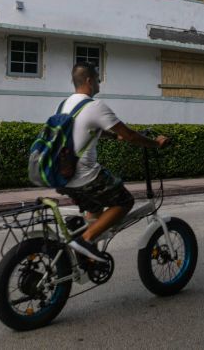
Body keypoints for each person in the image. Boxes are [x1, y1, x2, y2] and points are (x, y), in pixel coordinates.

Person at [57, 63, 168, 263]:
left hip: (63, 176)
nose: (100, 82)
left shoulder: (65, 105)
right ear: (89, 81)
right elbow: (131, 135)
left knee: (96, 208)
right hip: (85, 176)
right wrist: (155, 144)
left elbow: (85, 129)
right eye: (98, 78)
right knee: (125, 201)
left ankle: (87, 259)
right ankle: (85, 240)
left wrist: (113, 137)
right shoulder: (95, 106)